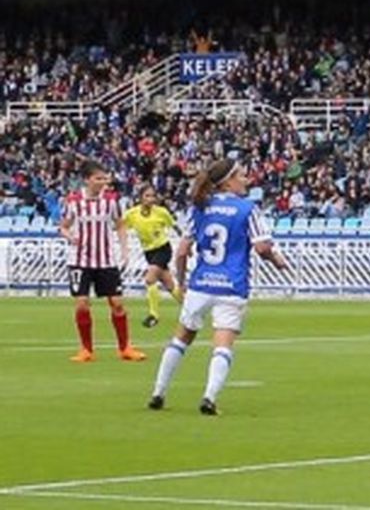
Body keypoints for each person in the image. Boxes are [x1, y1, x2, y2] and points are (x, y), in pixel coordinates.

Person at [148, 159, 291, 414]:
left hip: (201, 282)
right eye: (243, 176)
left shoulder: (200, 207)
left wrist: (181, 282)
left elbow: (181, 251)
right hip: (232, 285)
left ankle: (158, 392)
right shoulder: (247, 209)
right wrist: (277, 260)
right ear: (228, 181)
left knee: (181, 338)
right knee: (223, 344)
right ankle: (209, 398)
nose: (247, 180)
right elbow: (261, 247)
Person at [60, 161, 143, 363]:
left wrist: (124, 249)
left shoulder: (111, 201)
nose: (103, 182)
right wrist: (69, 236)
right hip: (79, 259)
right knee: (82, 303)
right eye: (98, 178)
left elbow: (120, 224)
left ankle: (125, 348)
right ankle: (86, 349)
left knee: (117, 302)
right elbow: (63, 226)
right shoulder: (73, 201)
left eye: (104, 178)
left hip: (106, 260)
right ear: (87, 179)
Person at [124, 185, 185, 329]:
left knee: (150, 279)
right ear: (140, 198)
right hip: (149, 252)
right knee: (169, 285)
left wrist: (185, 245)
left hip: (163, 249)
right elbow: (120, 226)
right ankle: (191, 310)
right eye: (147, 196)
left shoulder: (161, 212)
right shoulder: (132, 214)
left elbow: (175, 227)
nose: (151, 199)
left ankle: (154, 315)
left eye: (153, 196)